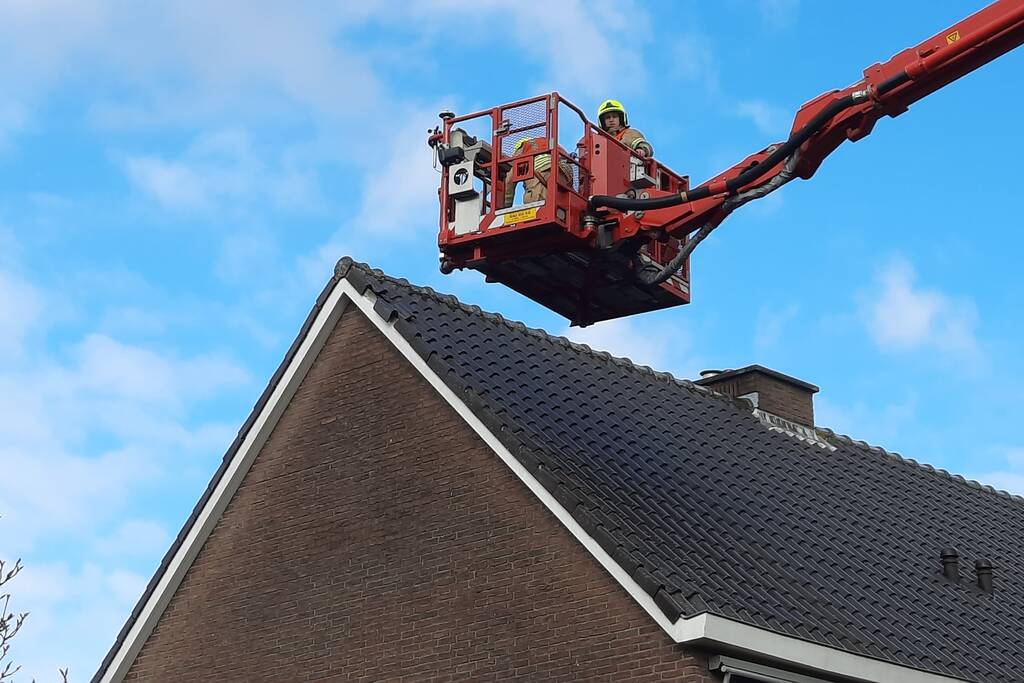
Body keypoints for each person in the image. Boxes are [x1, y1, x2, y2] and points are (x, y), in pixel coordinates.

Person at [503, 136, 574, 208]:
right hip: (565, 175)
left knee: (536, 205)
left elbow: (509, 181)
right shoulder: (546, 144)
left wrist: (503, 209)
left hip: (543, 170)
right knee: (557, 200)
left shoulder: (524, 149)